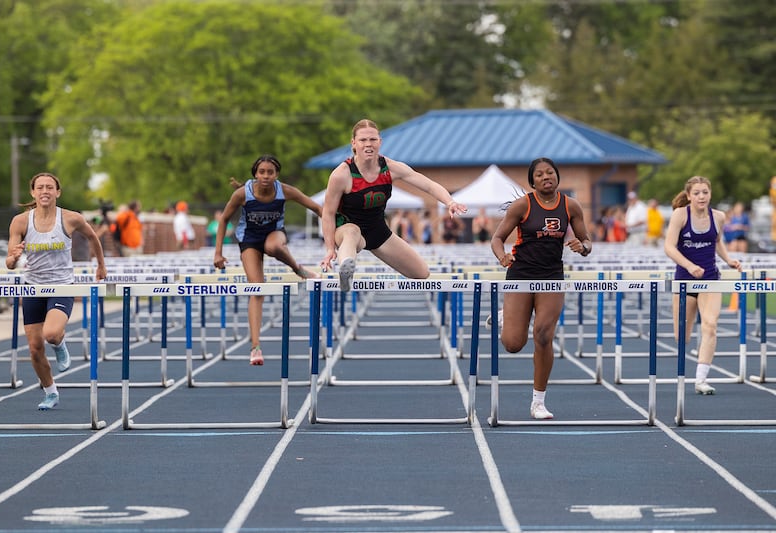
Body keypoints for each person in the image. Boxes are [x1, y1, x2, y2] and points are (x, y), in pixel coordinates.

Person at [489, 157, 591, 420]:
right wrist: (503, 258)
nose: (546, 177)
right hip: (521, 274)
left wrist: (583, 248)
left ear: (557, 176)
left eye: (550, 173)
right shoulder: (522, 205)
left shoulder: (571, 206)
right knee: (513, 344)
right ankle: (505, 317)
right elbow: (497, 238)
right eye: (540, 174)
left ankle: (538, 402)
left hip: (551, 277)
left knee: (544, 335)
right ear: (532, 181)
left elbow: (586, 240)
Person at [320, 119, 467, 290]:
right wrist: (330, 248)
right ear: (354, 143)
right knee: (352, 232)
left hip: (378, 231)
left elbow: (428, 185)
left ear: (380, 142)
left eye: (373, 139)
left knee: (422, 273)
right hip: (347, 231)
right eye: (363, 140)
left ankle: (347, 265)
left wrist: (449, 201)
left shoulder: (391, 168)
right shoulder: (341, 175)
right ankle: (345, 270)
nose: (368, 144)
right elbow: (328, 214)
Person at [5, 172, 107, 410]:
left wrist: (101, 265)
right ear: (33, 192)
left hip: (61, 285)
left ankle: (60, 344)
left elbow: (93, 237)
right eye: (40, 187)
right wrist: (14, 257)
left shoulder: (70, 218)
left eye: (49, 187)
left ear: (57, 192)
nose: (44, 191)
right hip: (32, 287)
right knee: (34, 348)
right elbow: (9, 263)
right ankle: (50, 392)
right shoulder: (20, 222)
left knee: (50, 334)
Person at [214, 154, 322, 365]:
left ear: (276, 175)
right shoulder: (242, 194)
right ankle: (255, 348)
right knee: (257, 289)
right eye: (261, 172)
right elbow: (224, 219)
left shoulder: (285, 191)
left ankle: (297, 268)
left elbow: (317, 208)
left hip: (274, 234)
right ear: (255, 174)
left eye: (270, 172)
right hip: (249, 240)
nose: (265, 176)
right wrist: (217, 252)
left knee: (272, 246)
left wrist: (334, 231)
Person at [664, 176, 742, 395]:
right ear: (689, 195)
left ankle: (701, 379)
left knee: (710, 325)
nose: (701, 197)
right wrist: (689, 266)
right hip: (685, 281)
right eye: (696, 193)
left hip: (710, 280)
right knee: (682, 337)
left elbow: (718, 241)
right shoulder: (680, 215)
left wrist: (728, 260)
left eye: (705, 192)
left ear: (710, 194)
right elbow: (669, 247)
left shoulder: (719, 216)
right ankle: (694, 349)